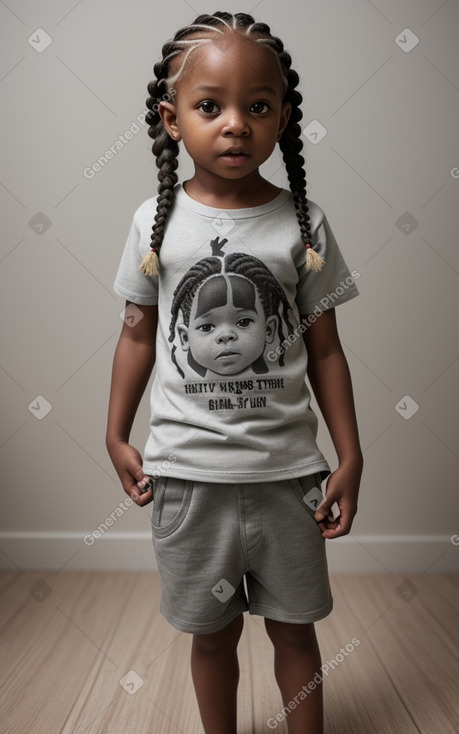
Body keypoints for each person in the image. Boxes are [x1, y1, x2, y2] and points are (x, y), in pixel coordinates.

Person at [106, 11, 363, 734]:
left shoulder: (302, 224)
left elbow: (325, 350)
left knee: (293, 630)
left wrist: (350, 454)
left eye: (257, 107)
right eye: (209, 106)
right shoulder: (152, 226)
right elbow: (134, 334)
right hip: (188, 482)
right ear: (171, 117)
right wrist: (115, 434)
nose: (235, 125)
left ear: (284, 117)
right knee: (211, 634)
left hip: (289, 483)